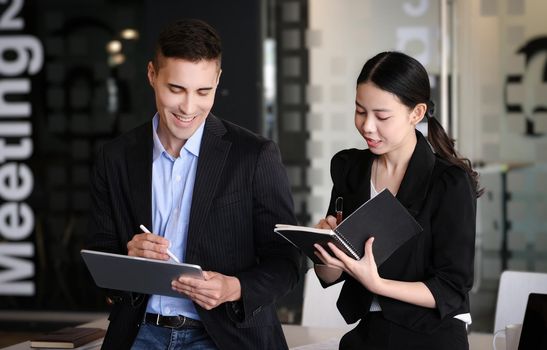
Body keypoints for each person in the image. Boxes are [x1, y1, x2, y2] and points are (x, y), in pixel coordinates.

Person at [86, 18, 300, 350]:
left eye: (203, 91)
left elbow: (287, 262)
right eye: (176, 89)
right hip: (139, 333)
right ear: (152, 76)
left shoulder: (254, 155)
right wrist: (129, 257)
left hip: (226, 337)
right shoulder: (115, 157)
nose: (189, 108)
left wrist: (235, 287)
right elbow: (99, 252)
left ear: (217, 80)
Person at [313, 51, 482, 350]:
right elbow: (331, 274)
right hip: (368, 333)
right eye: (360, 111)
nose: (367, 126)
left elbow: (452, 288)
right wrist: (326, 253)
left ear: (416, 113)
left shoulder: (448, 183)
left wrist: (376, 284)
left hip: (431, 334)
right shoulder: (349, 168)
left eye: (382, 116)